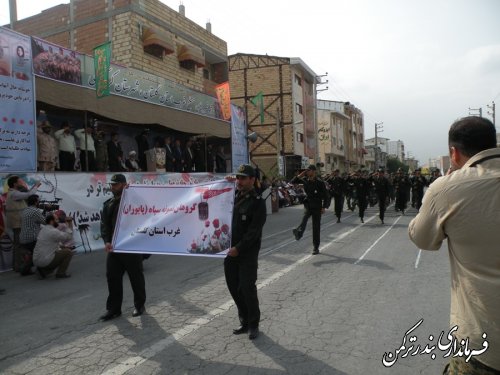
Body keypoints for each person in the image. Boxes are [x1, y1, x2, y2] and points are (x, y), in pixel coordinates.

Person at [408, 116, 500, 375]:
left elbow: (421, 238)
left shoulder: (446, 188)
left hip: (482, 344)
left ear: (454, 152)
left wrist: (441, 189)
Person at [224, 164, 267, 340]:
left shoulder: (258, 203)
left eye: (243, 178)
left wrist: (238, 248)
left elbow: (253, 233)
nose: (239, 181)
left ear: (252, 180)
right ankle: (244, 320)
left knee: (247, 287)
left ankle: (253, 324)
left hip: (246, 253)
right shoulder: (231, 195)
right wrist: (223, 184)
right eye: (237, 178)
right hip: (229, 252)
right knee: (233, 287)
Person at [99, 174, 146, 321]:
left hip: (131, 246)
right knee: (112, 277)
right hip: (115, 247)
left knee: (135, 277)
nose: (112, 187)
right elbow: (104, 225)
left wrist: (132, 193)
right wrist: (107, 241)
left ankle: (139, 305)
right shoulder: (109, 204)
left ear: (124, 185)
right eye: (112, 185)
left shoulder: (133, 201)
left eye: (116, 184)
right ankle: (114, 309)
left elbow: (145, 209)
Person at [291, 165, 330, 254]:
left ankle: (315, 247)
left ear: (314, 171)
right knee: (304, 219)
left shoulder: (320, 183)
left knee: (316, 228)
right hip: (308, 205)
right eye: (306, 171)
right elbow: (292, 182)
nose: (307, 172)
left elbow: (326, 196)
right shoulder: (305, 180)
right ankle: (299, 233)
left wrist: (324, 207)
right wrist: (300, 175)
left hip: (317, 206)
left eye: (309, 170)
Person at [5, 176, 41, 271]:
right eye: (20, 181)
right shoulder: (14, 194)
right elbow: (29, 195)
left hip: (18, 222)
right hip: (17, 223)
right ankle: (19, 266)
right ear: (15, 184)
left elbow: (27, 193)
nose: (22, 181)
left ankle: (19, 265)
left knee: (19, 244)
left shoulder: (14, 193)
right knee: (19, 245)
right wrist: (37, 185)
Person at [33, 214, 74, 279]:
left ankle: (43, 271)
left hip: (37, 260)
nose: (58, 221)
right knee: (68, 252)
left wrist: (63, 247)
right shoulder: (53, 231)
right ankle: (60, 273)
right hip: (45, 260)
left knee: (61, 251)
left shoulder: (43, 229)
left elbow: (54, 242)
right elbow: (68, 237)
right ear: (52, 221)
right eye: (56, 219)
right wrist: (68, 226)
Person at [19, 194, 45, 275]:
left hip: (23, 238)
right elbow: (45, 221)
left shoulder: (25, 210)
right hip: (32, 238)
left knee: (34, 254)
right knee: (39, 253)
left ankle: (25, 270)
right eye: (38, 201)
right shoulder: (36, 211)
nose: (39, 202)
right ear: (36, 202)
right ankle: (42, 272)